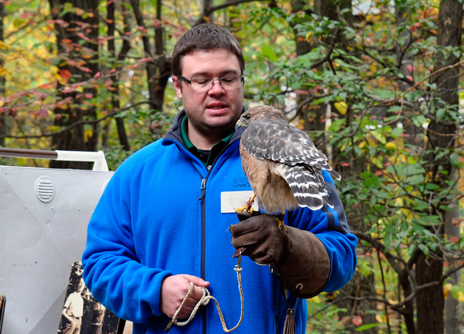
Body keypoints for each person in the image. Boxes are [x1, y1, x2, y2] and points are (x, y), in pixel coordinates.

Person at [82, 24, 357, 334]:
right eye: (201, 79)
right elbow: (100, 262)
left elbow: (343, 257)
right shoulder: (137, 173)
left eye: (227, 78)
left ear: (241, 81)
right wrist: (156, 290)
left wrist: (289, 246)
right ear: (178, 85)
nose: (216, 89)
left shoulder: (288, 155)